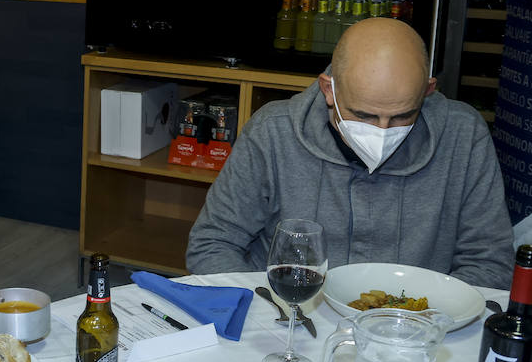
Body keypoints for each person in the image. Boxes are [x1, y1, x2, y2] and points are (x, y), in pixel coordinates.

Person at [186, 17, 513, 289]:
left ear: (428, 91)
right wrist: (266, 310)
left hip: (414, 329)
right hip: (288, 318)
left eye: (402, 116)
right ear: (329, 89)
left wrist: (422, 320)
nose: (383, 132)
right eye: (364, 116)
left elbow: (489, 264)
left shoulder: (463, 136)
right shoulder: (273, 131)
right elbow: (214, 243)